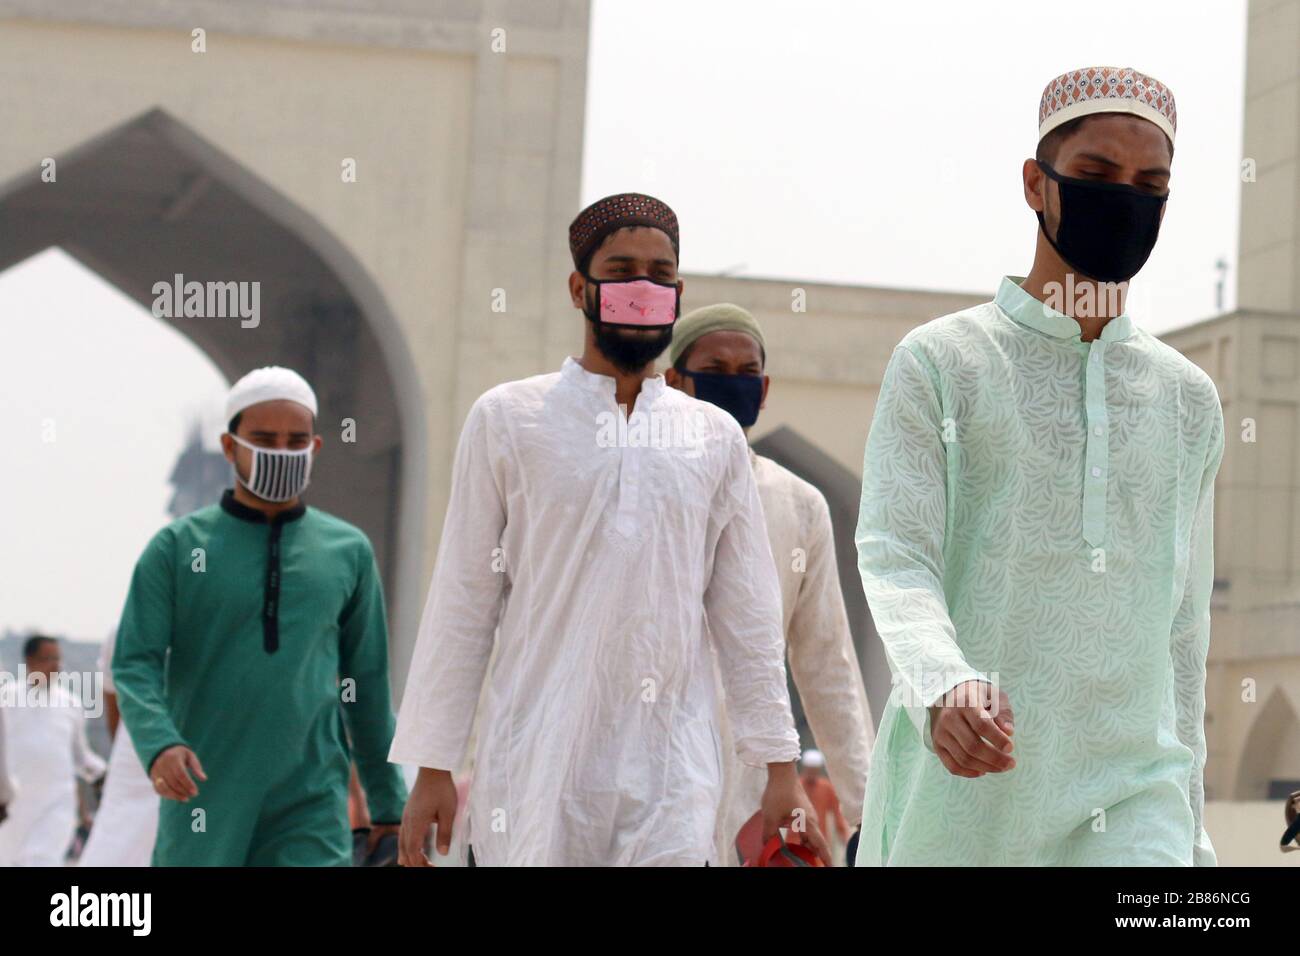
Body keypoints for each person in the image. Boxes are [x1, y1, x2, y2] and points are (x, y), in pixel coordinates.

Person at [391, 192, 827, 866]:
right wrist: (432, 767)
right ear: (579, 288)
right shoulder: (509, 419)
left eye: (659, 274)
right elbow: (464, 600)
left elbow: (746, 614)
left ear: (677, 293)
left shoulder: (709, 436)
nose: (642, 287)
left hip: (671, 775)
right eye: (621, 270)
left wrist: (779, 769)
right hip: (537, 764)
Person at [856, 67, 1223, 865]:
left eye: (1149, 184)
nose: (1125, 198)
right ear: (1036, 183)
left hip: (1135, 794)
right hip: (967, 788)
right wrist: (940, 682)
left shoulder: (1188, 399)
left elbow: (1183, 629)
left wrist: (1190, 827)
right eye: (1096, 176)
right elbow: (896, 553)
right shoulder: (942, 363)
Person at [113, 367, 407, 866]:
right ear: (230, 448)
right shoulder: (177, 549)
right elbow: (134, 664)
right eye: (265, 439)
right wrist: (160, 744)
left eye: (296, 441)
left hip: (310, 800)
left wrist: (389, 805)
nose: (282, 452)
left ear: (314, 448)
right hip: (204, 794)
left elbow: (367, 684)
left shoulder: (347, 552)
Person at [663, 302, 874, 865]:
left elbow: (826, 662)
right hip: (641, 763)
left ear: (765, 388)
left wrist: (866, 811)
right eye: (715, 369)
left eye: (745, 373)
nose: (731, 383)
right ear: (672, 382)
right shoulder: (633, 482)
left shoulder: (797, 505)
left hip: (750, 781)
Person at [0, 636, 106, 866]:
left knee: (43, 860)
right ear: (29, 661)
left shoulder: (70, 703)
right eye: (46, 658)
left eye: (57, 658)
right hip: (13, 805)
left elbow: (81, 756)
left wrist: (102, 774)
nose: (54, 665)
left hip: (56, 803)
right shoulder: (6, 698)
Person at [78, 627, 158, 867]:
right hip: (135, 748)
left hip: (191, 745)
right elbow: (113, 699)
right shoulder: (123, 631)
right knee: (119, 834)